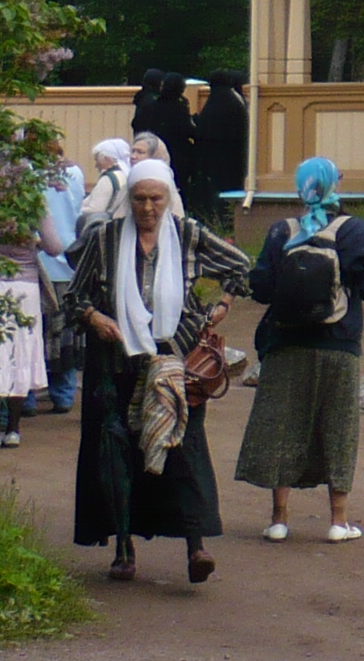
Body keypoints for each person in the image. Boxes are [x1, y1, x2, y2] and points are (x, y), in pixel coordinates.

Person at [65, 158, 250, 584]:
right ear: (128, 200)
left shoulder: (187, 235)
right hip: (117, 364)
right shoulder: (107, 238)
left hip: (174, 362)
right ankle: (123, 547)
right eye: (140, 198)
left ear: (169, 199)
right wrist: (95, 318)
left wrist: (222, 306)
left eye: (156, 198)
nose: (148, 207)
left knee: (183, 449)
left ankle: (195, 546)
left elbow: (241, 266)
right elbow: (75, 297)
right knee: (117, 451)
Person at [235, 157, 364, 544]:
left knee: (284, 426)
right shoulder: (352, 230)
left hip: (285, 344)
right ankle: (338, 521)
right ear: (334, 186)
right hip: (338, 344)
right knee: (338, 429)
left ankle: (279, 520)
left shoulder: (281, 231)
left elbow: (261, 288)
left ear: (300, 189)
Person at [0, 220, 48, 447]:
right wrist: (34, 243)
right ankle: (13, 429)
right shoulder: (32, 202)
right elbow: (56, 245)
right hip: (25, 285)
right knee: (20, 353)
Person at [33, 158, 84, 416]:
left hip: (39, 262)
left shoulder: (27, 174)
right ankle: (63, 394)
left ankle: (29, 396)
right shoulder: (74, 172)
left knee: (35, 330)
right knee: (65, 331)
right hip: (69, 257)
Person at [187, 71, 248, 226]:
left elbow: (202, 130)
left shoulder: (212, 104)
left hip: (212, 159)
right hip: (234, 156)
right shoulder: (236, 102)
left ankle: (215, 217)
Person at [85, 137, 134, 229]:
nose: (96, 165)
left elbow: (96, 209)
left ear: (107, 159)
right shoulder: (125, 176)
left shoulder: (108, 179)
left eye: (97, 160)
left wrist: (76, 211)